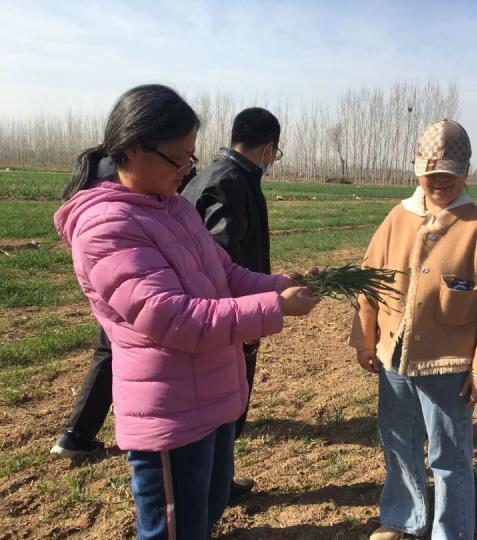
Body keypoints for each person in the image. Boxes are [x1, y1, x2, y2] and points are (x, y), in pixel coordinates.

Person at [54, 84, 319, 538]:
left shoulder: (174, 207)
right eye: (177, 158)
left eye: (190, 157)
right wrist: (276, 307)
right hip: (171, 413)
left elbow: (226, 275)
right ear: (133, 149)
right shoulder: (106, 227)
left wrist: (283, 284)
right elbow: (174, 319)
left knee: (206, 515)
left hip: (210, 396)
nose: (186, 169)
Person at [348, 119, 477, 540]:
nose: (438, 180)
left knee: (449, 456)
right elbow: (369, 281)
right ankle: (403, 518)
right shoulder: (397, 218)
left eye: (449, 173)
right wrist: (365, 339)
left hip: (448, 367)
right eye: (430, 171)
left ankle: (451, 531)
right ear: (417, 168)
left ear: (465, 172)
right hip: (395, 360)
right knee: (399, 444)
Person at [50, 159, 197, 459]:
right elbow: (166, 312)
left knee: (109, 350)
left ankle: (77, 433)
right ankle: (77, 433)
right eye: (182, 157)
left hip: (137, 290)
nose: (184, 169)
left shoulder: (146, 189)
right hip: (162, 415)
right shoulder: (116, 216)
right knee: (117, 348)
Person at [181, 108, 280, 497]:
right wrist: (247, 318)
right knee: (229, 400)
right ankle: (214, 485)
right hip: (229, 317)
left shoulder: (212, 174)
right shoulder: (232, 183)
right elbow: (224, 260)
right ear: (268, 149)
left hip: (217, 314)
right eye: (275, 154)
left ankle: (217, 480)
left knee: (223, 400)